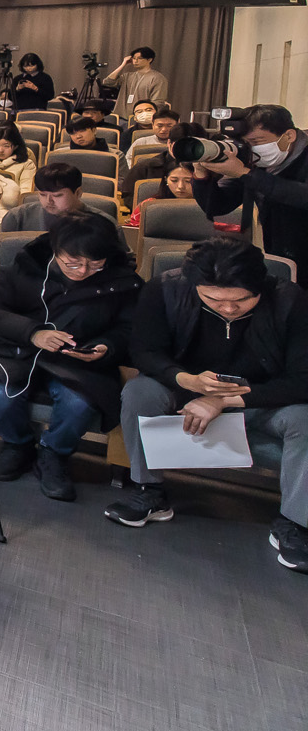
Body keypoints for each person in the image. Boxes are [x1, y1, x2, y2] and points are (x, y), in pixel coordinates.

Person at [109, 238, 308, 569]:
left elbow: (302, 379)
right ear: (194, 286)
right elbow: (144, 351)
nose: (228, 309)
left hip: (261, 398)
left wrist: (222, 399)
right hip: (187, 388)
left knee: (305, 419)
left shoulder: (291, 301)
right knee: (139, 393)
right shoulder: (165, 290)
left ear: (261, 286)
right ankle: (150, 491)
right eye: (214, 300)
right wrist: (185, 380)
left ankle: (295, 522)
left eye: (242, 301)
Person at [0, 211, 139, 500]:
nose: (83, 271)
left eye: (94, 263)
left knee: (79, 405)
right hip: (20, 351)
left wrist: (106, 347)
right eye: (72, 262)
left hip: (78, 360)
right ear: (55, 250)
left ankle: (53, 454)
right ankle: (17, 445)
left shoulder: (123, 281)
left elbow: (130, 330)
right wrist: (33, 333)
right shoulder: (26, 267)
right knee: (2, 394)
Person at [190, 104, 308, 271]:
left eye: (257, 141)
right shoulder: (255, 162)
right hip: (283, 255)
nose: (251, 149)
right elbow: (217, 205)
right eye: (245, 143)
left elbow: (301, 196)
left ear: (289, 136)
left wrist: (245, 173)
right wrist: (201, 174)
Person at [0, 162, 86, 232]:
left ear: (78, 193)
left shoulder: (96, 222)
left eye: (57, 195)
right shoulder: (18, 215)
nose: (49, 201)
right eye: (42, 194)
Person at [129, 159, 196, 226]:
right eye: (174, 180)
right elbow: (133, 232)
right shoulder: (149, 206)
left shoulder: (205, 206)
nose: (180, 186)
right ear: (166, 180)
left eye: (188, 181)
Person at [103, 45, 169, 113]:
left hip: (142, 117)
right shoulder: (127, 76)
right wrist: (123, 64)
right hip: (121, 116)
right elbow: (108, 82)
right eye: (134, 58)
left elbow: (157, 102)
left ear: (149, 60)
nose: (135, 61)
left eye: (139, 58)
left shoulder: (157, 78)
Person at [0, 127, 36, 208]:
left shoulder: (26, 164)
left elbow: (25, 192)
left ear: (15, 146)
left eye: (6, 146)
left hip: (13, 207)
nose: (0, 150)